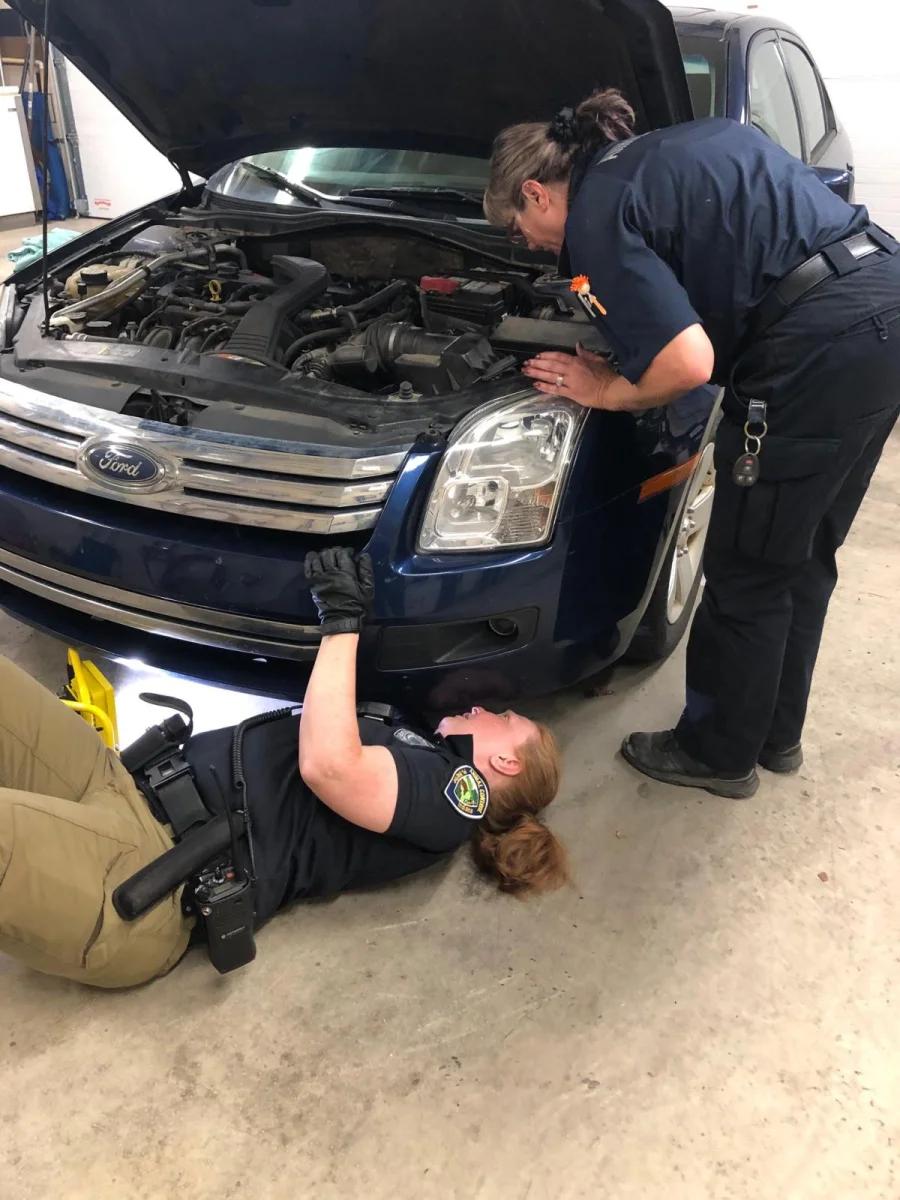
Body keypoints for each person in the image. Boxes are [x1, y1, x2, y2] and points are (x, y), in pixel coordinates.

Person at [484, 90, 900, 799]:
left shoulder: (594, 218)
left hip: (814, 349)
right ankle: (774, 734)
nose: (530, 247)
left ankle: (717, 753)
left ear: (536, 193)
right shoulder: (664, 151)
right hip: (882, 300)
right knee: (801, 553)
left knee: (746, 568)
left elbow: (688, 366)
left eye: (520, 229)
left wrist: (604, 389)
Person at [0, 549, 565, 989]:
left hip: (144, 874)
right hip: (118, 785)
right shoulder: (416, 747)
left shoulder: (451, 800)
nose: (487, 709)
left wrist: (341, 622)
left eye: (505, 718)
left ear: (505, 761)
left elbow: (331, 768)